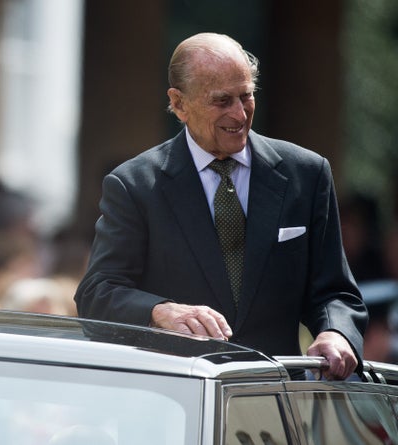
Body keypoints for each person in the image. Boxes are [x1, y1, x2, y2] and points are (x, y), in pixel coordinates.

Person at [74, 33, 367, 380]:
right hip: (175, 397)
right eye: (222, 100)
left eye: (246, 96)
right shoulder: (135, 185)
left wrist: (337, 333)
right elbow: (97, 293)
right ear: (179, 104)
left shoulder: (306, 173)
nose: (239, 114)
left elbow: (335, 291)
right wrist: (160, 311)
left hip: (273, 400)